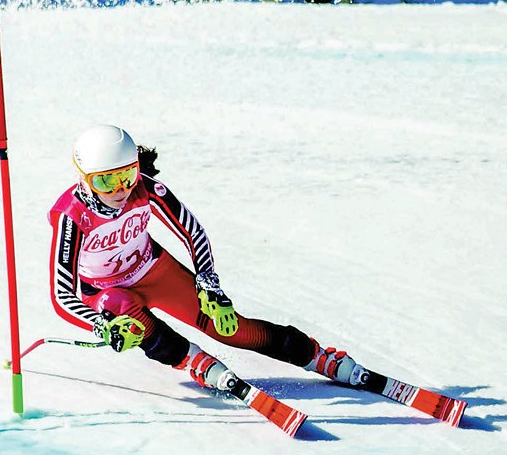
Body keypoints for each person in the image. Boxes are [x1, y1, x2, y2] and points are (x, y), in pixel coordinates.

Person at [48, 124, 367, 392]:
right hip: (106, 292)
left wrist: (208, 285)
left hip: (154, 271)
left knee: (231, 329)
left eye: (127, 176)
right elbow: (62, 293)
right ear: (84, 178)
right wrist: (101, 324)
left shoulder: (146, 190)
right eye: (106, 181)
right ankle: (189, 359)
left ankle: (314, 355)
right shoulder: (73, 216)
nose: (120, 189)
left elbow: (192, 233)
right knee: (124, 314)